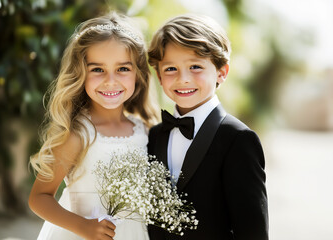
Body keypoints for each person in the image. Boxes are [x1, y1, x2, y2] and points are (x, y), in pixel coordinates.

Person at [29, 12, 158, 240]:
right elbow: (39, 198)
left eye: (123, 69)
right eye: (97, 69)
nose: (110, 80)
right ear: (81, 73)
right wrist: (83, 227)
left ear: (138, 74)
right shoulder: (79, 133)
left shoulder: (145, 130)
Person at [147, 14, 269, 240]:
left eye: (195, 67)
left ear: (221, 72)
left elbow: (252, 231)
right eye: (170, 69)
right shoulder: (154, 135)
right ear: (159, 76)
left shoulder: (238, 139)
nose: (183, 79)